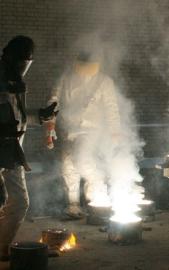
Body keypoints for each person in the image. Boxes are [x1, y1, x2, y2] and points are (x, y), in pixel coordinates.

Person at [0, 36, 56, 261]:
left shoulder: (16, 84)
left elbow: (18, 118)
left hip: (11, 153)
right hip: (2, 151)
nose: (24, 66)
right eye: (22, 61)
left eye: (27, 62)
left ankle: (2, 247)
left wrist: (39, 116)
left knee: (19, 202)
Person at [47, 52, 121, 219]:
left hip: (91, 132)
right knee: (68, 167)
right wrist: (49, 127)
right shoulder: (66, 79)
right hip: (68, 130)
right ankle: (73, 205)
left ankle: (97, 199)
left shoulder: (104, 81)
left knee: (84, 162)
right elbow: (53, 102)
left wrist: (115, 133)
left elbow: (111, 108)